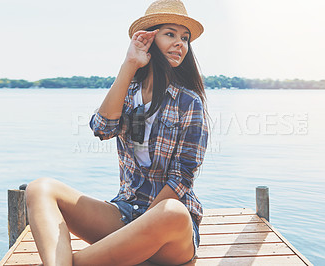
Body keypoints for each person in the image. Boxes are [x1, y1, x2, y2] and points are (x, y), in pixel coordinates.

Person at [25, 0, 208, 265]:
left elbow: (182, 178)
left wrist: (143, 226)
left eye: (185, 38)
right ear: (149, 39)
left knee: (172, 212)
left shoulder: (189, 102)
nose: (180, 43)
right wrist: (130, 64)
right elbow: (102, 128)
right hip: (125, 213)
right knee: (40, 188)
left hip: (170, 232)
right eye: (170, 34)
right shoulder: (129, 92)